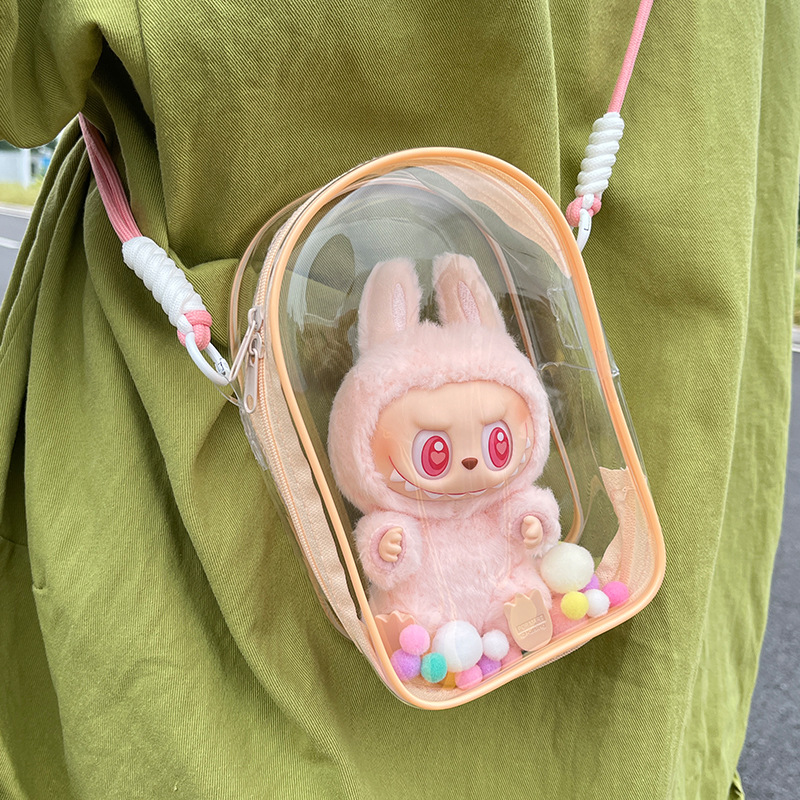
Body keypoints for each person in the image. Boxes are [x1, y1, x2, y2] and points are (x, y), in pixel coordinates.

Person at [1, 2, 797, 797]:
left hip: (234, 559)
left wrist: (529, 520)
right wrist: (393, 545)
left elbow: (21, 83)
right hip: (677, 339)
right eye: (437, 452)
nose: (472, 467)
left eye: (495, 445)